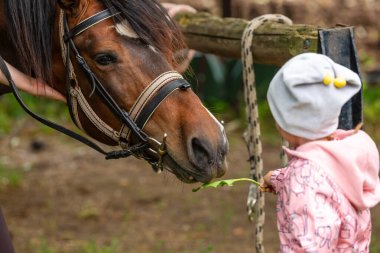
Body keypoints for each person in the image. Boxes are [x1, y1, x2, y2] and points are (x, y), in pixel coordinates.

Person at [259, 53, 380, 252]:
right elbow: (326, 182)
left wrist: (293, 179)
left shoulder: (303, 181)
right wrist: (280, 178)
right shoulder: (347, 154)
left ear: (287, 122)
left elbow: (310, 246)